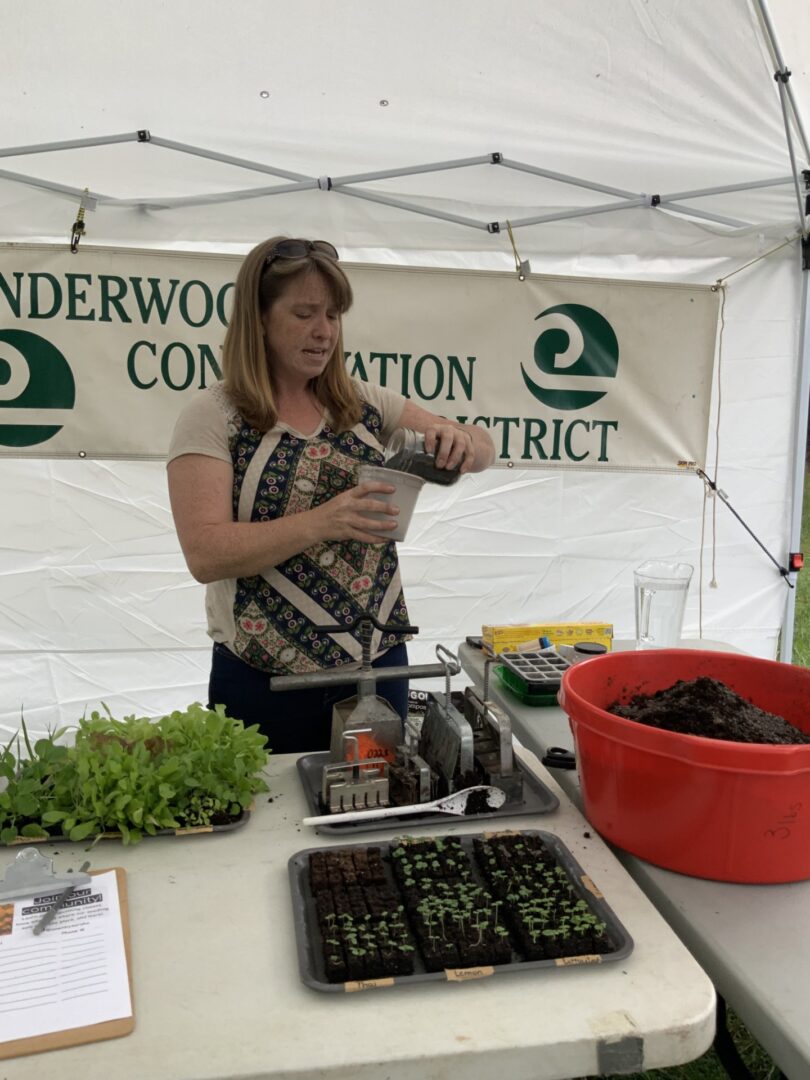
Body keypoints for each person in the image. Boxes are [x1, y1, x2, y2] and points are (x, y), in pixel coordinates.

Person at [167, 236, 496, 753]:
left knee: (376, 810)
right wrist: (322, 521)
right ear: (258, 318)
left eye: (333, 315)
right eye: (304, 314)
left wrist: (463, 441)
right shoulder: (215, 416)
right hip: (265, 681)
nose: (324, 332)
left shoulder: (362, 403)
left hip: (377, 668)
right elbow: (205, 554)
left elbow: (484, 448)